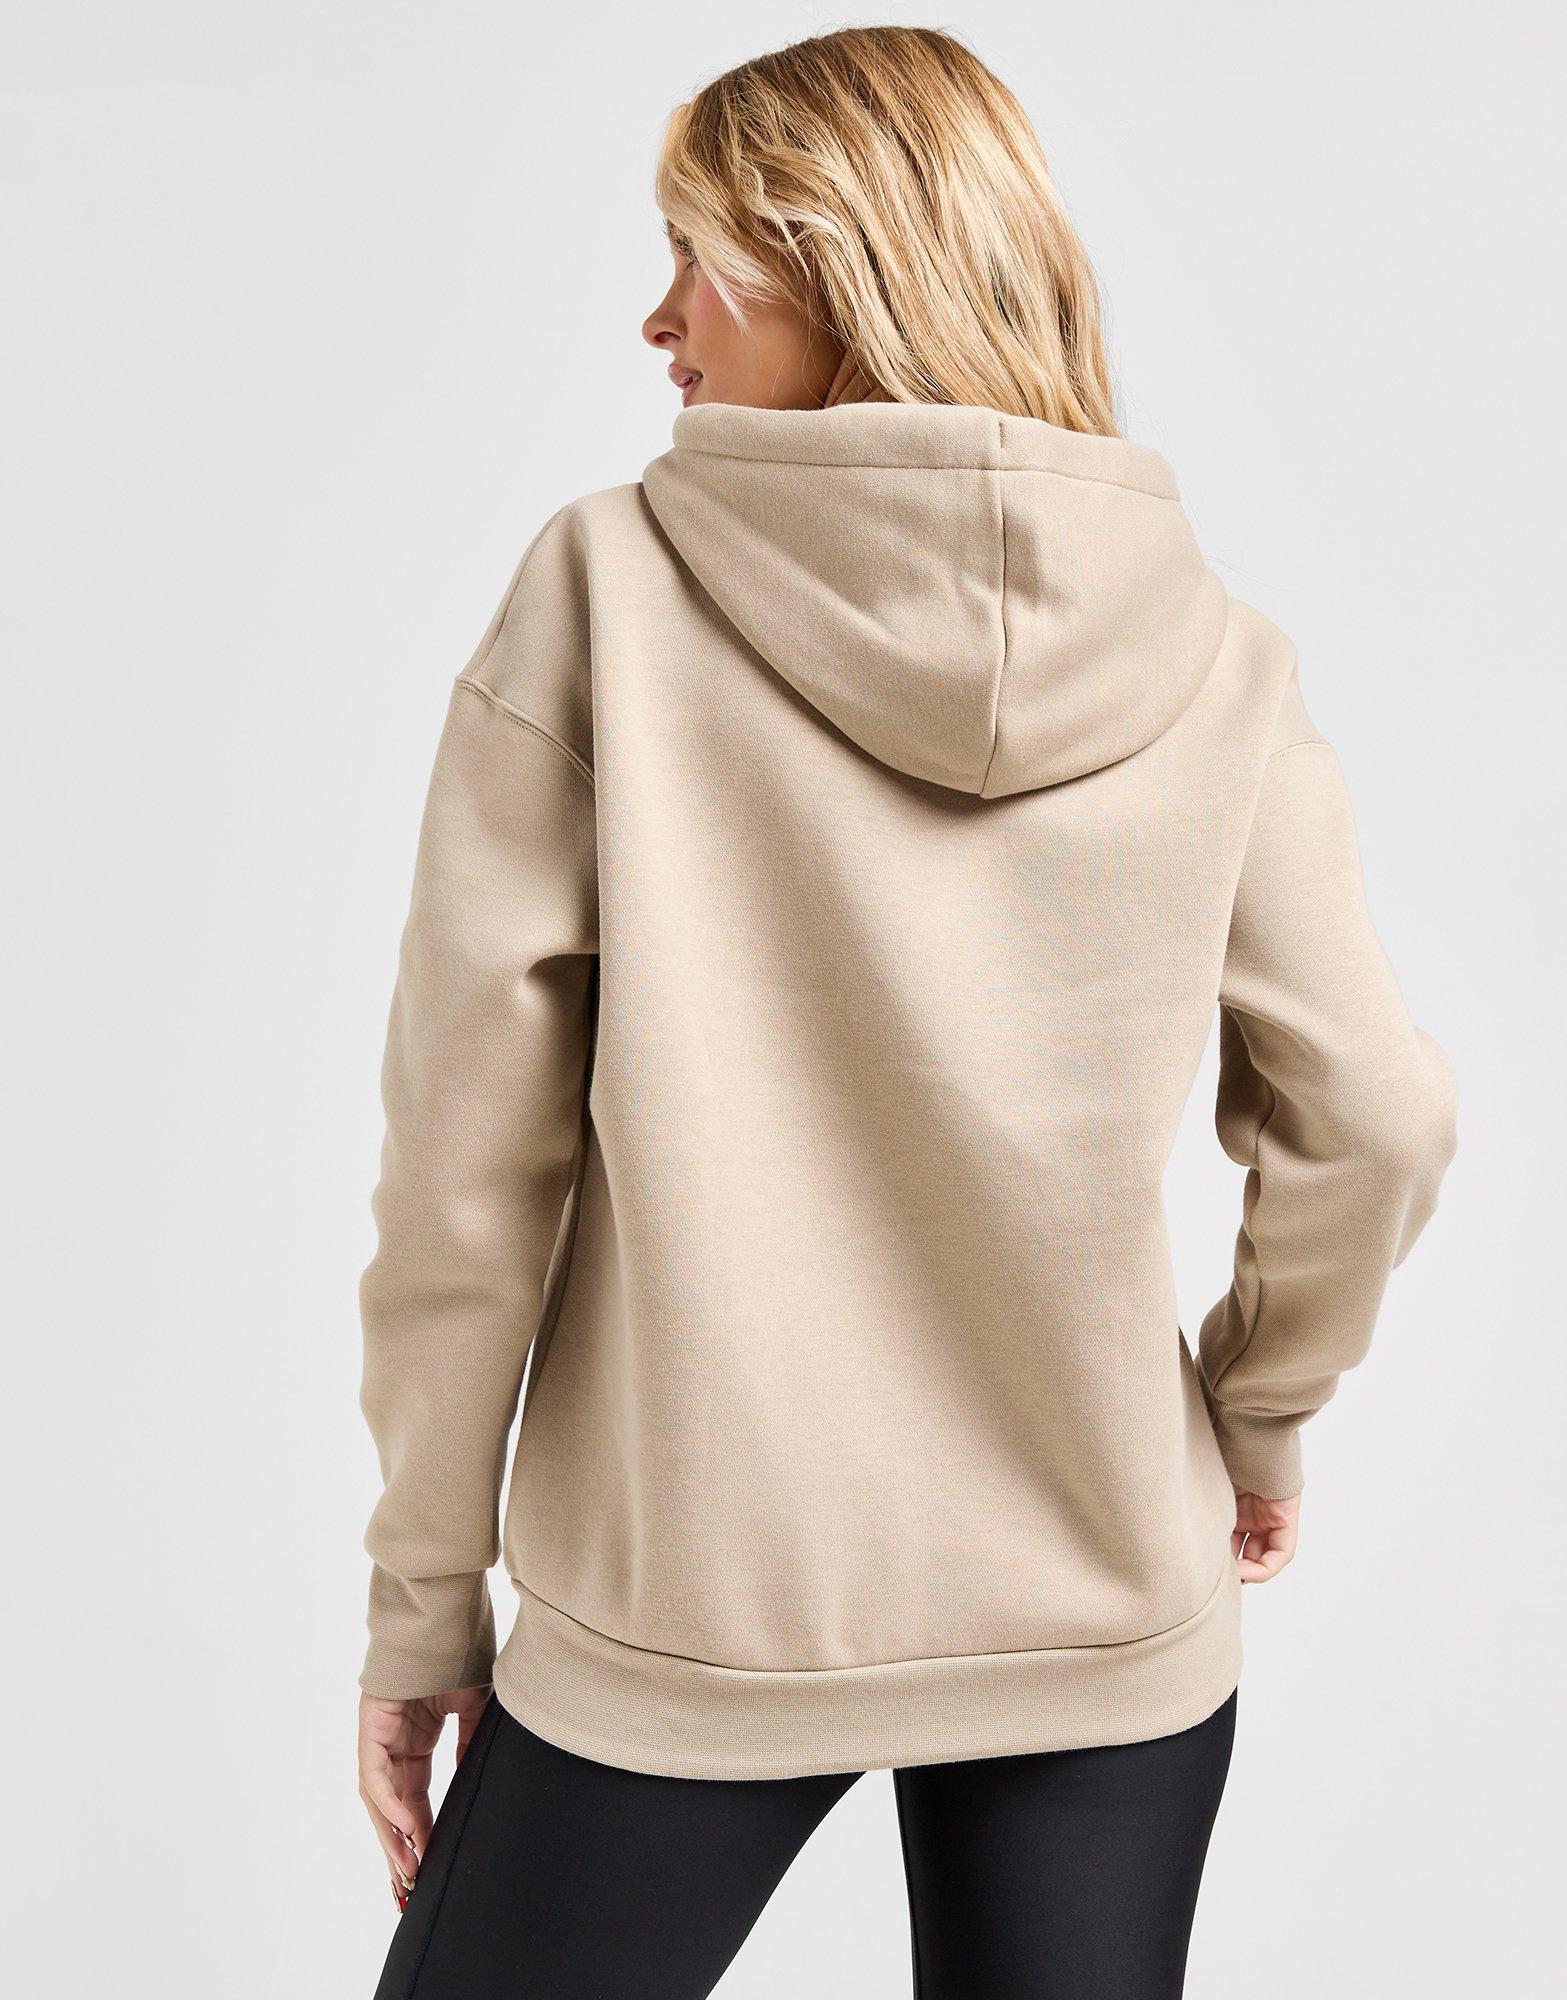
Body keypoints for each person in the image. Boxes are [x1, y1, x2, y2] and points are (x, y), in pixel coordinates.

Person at [355, 26, 1457, 1999]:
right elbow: (1374, 1110)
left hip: (688, 1608)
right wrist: (1252, 1418)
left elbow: (468, 1165)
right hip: (1102, 1595)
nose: (658, 320)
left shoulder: (606, 591)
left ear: (835, 262)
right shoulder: (1218, 655)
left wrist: (424, 1596)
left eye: (698, 259)